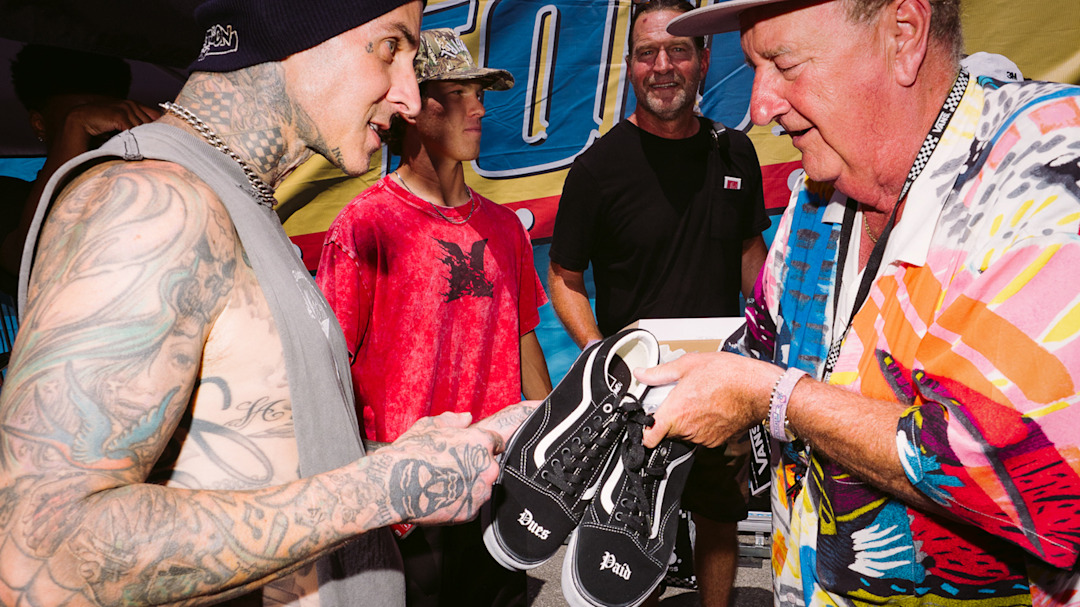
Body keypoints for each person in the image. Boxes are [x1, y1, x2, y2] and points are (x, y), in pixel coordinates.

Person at [0, 2, 533, 606]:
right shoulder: (149, 203)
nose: (409, 98)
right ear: (295, 30)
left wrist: (408, 459)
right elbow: (40, 555)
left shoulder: (236, 199)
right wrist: (385, 490)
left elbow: (262, 453)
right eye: (390, 49)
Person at [639, 0, 1080, 605]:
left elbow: (1025, 481)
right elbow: (758, 349)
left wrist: (774, 399)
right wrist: (544, 422)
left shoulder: (1049, 173)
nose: (760, 106)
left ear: (903, 34)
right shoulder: (823, 190)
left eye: (784, 64)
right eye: (752, 68)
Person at [315, 28, 550, 606]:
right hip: (405, 496)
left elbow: (523, 338)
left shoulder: (501, 227)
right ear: (414, 110)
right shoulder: (366, 225)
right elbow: (329, 367)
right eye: (456, 94)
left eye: (480, 93)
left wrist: (551, 447)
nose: (478, 108)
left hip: (495, 485)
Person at [547, 1, 770, 604]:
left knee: (720, 516)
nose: (663, 66)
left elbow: (751, 251)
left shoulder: (735, 154)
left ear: (703, 60)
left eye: (677, 51)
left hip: (723, 377)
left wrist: (772, 336)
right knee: (629, 532)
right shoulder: (597, 170)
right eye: (648, 53)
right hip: (635, 395)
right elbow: (563, 274)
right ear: (630, 66)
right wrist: (602, 359)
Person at [0, 45, 160, 291]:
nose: (99, 131)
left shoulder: (148, 188)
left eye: (108, 116)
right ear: (39, 125)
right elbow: (26, 258)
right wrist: (77, 124)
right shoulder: (10, 197)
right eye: (90, 118)